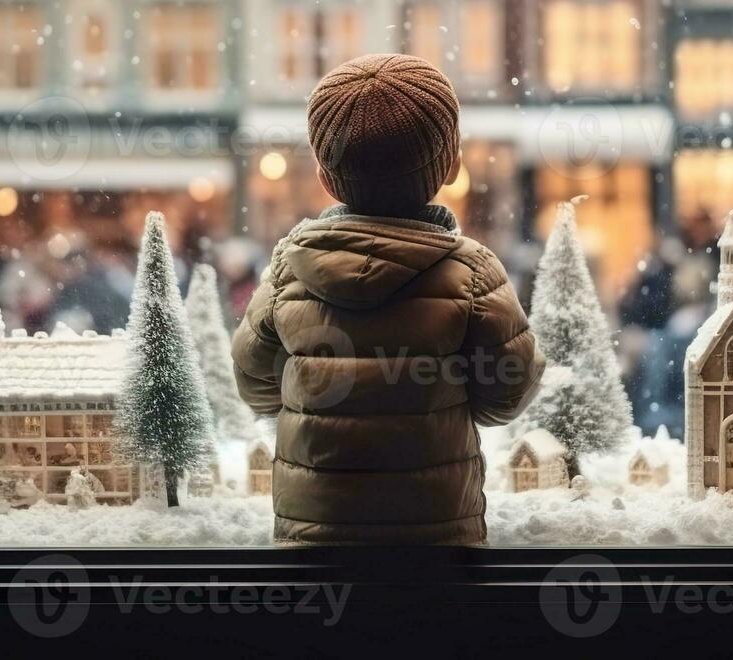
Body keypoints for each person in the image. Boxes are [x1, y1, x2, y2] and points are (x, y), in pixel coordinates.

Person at [231, 54, 545, 545]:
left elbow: (255, 386)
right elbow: (507, 394)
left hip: (316, 539)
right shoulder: (472, 273)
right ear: (452, 164)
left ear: (324, 176)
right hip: (436, 540)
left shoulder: (287, 271)